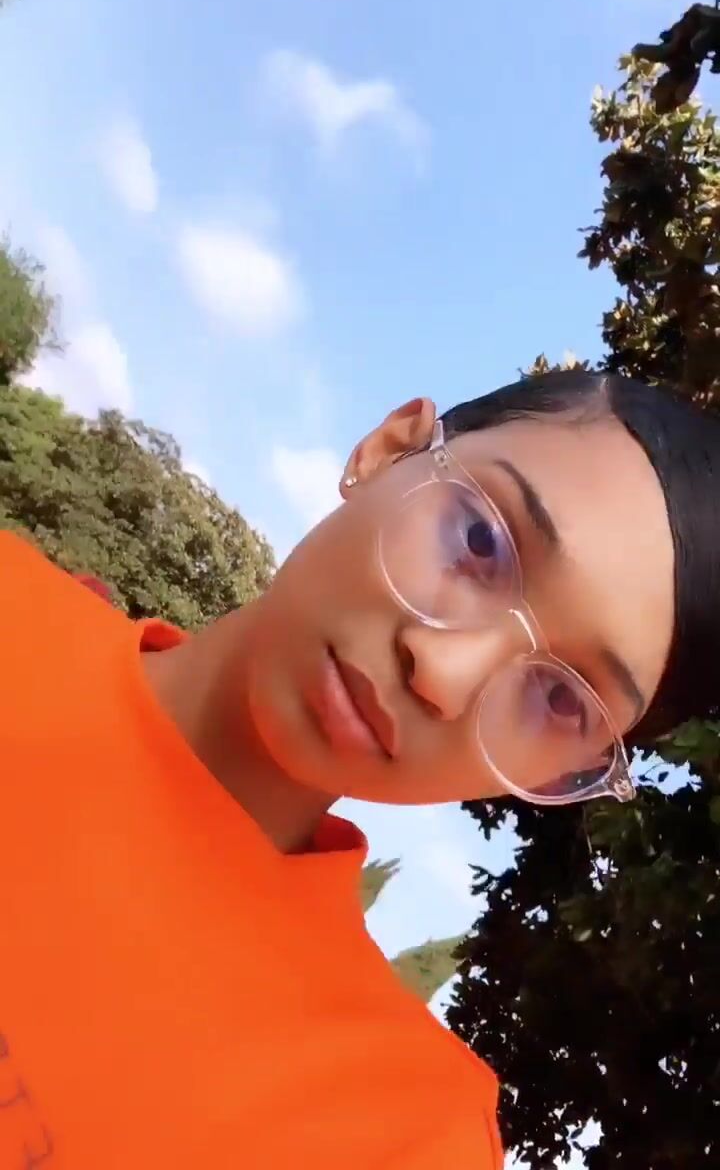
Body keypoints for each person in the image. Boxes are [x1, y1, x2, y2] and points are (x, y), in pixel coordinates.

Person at [1, 368, 719, 1169]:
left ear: (563, 776)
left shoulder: (399, 1133)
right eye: (480, 542)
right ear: (389, 451)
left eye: (559, 699)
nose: (442, 675)